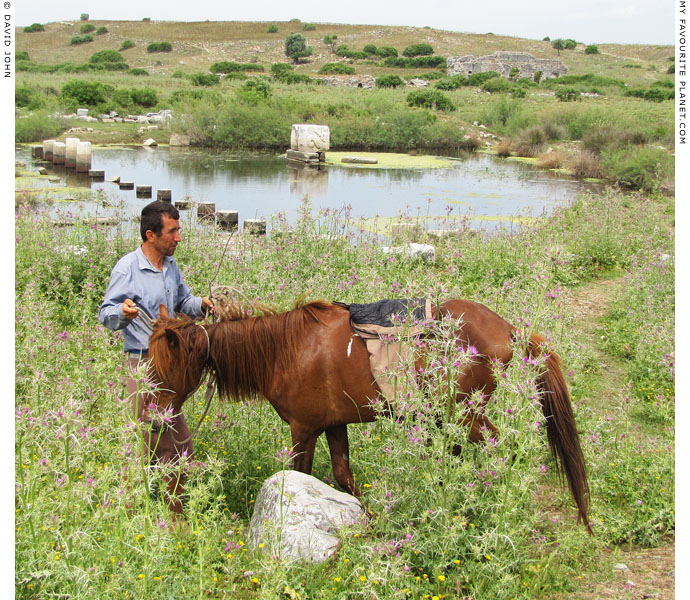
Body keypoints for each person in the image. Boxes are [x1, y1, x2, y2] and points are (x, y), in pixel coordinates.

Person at [99, 200, 213, 512]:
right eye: (172, 231)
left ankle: (166, 508)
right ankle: (138, 509)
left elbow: (182, 300)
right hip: (144, 365)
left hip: (170, 365)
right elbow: (105, 313)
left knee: (174, 439)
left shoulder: (170, 267)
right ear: (151, 235)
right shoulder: (128, 269)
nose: (178, 237)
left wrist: (201, 304)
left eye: (178, 230)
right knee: (150, 439)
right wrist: (122, 312)